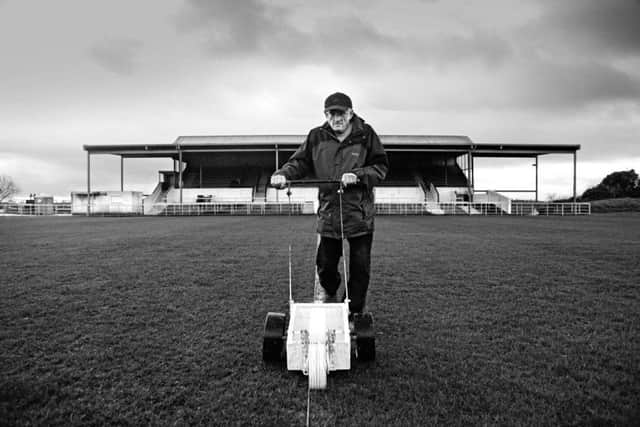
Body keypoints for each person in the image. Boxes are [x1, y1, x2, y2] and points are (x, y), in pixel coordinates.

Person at [270, 92, 388, 314]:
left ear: (350, 113)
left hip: (359, 215)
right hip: (329, 212)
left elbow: (381, 167)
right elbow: (299, 162)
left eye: (341, 113)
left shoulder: (367, 134)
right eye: (331, 114)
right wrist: (283, 174)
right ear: (325, 114)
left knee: (360, 269)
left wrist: (359, 175)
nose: (337, 118)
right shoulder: (316, 136)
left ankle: (353, 312)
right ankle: (331, 294)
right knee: (325, 267)